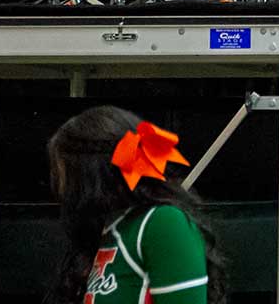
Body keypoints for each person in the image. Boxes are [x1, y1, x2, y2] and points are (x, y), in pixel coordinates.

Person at [47, 105, 223, 304]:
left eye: (64, 173)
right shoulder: (109, 228)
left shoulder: (163, 223)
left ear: (91, 173)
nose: (60, 186)